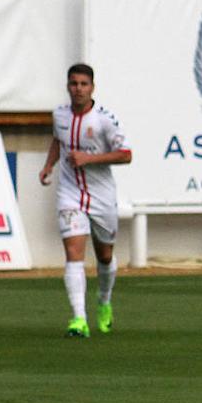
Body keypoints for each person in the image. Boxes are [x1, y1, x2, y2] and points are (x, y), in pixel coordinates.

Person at [39, 63, 132, 338]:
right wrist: (49, 166)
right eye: (73, 83)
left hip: (101, 196)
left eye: (83, 84)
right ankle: (78, 318)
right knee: (73, 253)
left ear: (92, 87)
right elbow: (58, 140)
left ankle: (104, 301)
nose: (78, 89)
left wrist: (89, 159)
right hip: (70, 194)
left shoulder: (104, 120)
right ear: (67, 86)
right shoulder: (59, 115)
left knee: (105, 256)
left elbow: (126, 154)